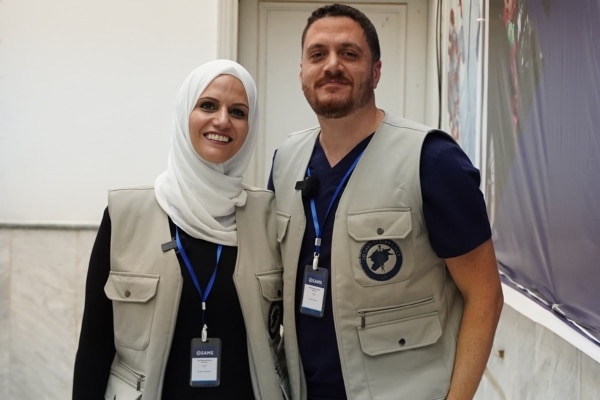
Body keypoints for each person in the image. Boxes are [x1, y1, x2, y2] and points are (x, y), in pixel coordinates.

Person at [268, 4, 504, 399]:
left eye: (349, 53)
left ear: (376, 71)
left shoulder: (431, 159)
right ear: (302, 73)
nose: (332, 65)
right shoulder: (285, 161)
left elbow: (485, 295)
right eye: (317, 54)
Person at [73, 59, 288, 400]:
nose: (222, 120)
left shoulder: (269, 217)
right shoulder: (126, 215)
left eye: (238, 111)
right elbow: (95, 345)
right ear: (184, 112)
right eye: (207, 105)